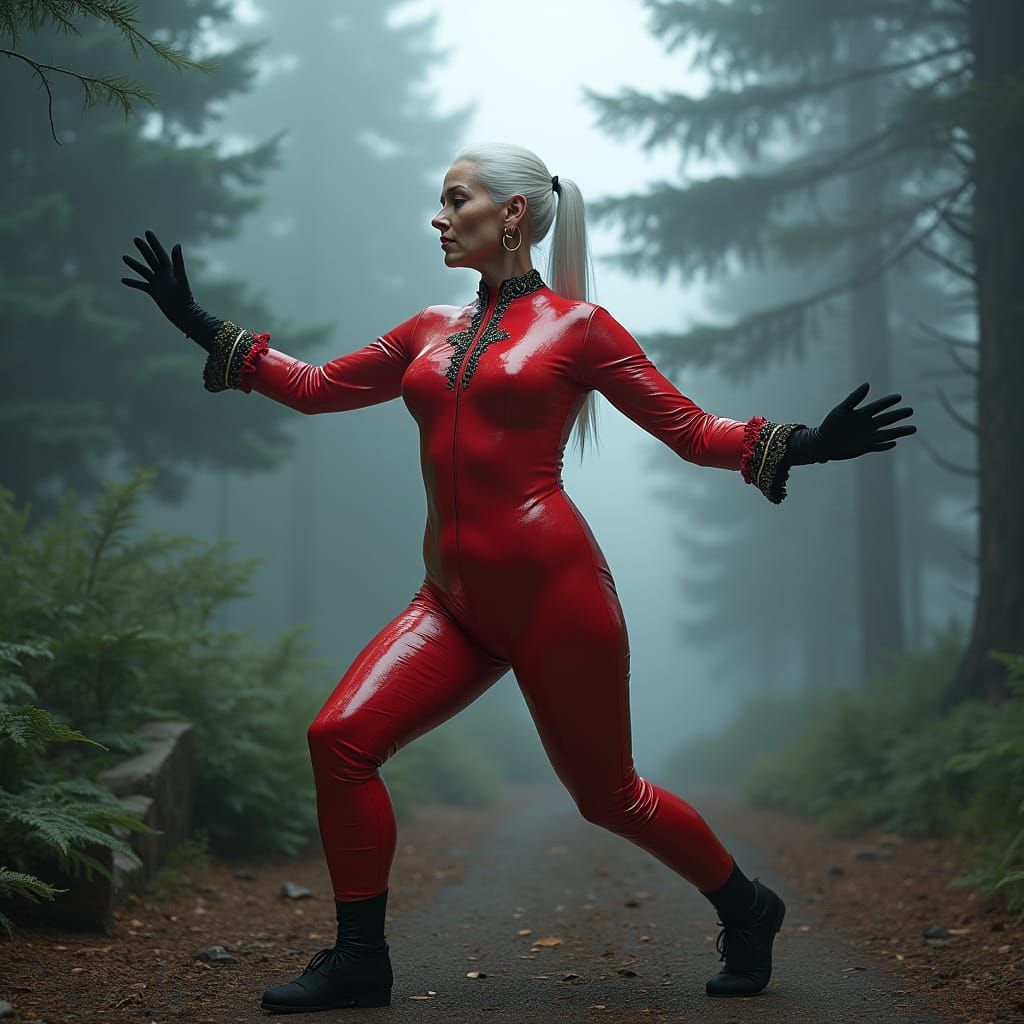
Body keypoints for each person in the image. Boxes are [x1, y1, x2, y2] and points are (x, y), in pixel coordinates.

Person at [121, 142, 916, 1012]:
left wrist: (808, 443)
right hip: (450, 602)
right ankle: (360, 959)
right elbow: (314, 386)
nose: (438, 217)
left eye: (455, 198)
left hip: (556, 600)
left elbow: (690, 431)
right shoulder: (426, 328)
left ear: (511, 215)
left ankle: (747, 905)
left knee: (610, 798)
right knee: (338, 739)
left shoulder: (581, 329)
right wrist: (197, 321)